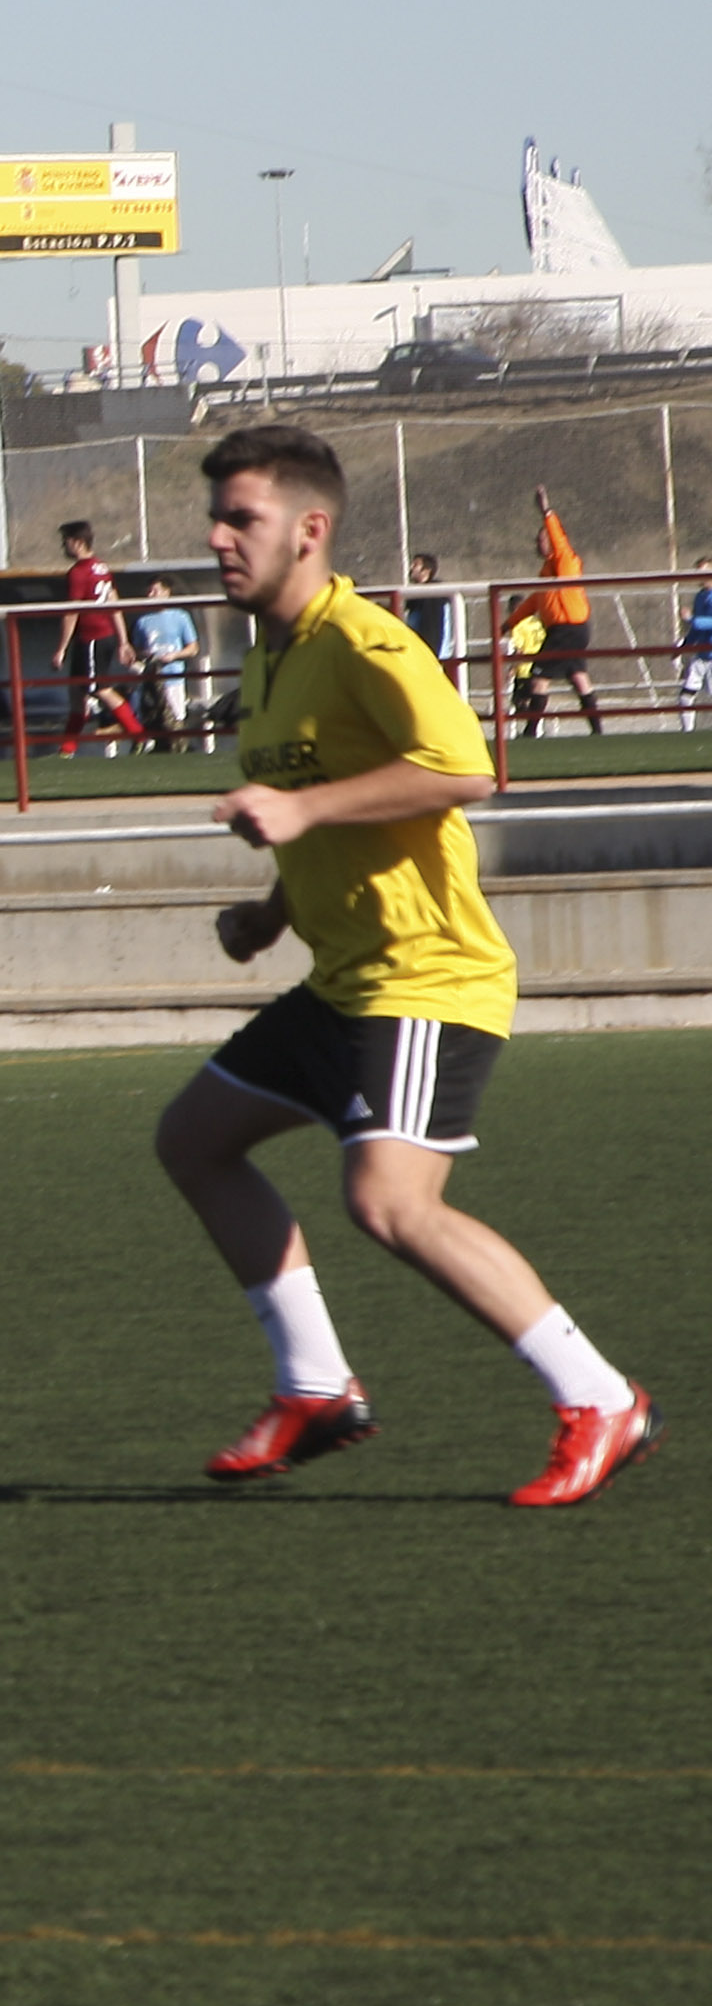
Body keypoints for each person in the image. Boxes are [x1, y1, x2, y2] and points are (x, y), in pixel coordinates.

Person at [154, 423, 656, 1509]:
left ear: (310, 530)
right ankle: (315, 1386)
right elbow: (335, 808)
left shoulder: (367, 644)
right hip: (346, 980)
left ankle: (599, 1396)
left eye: (242, 517)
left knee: (389, 1202)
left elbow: (462, 768)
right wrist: (274, 910)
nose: (219, 538)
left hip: (429, 977)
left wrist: (295, 808)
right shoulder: (271, 655)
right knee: (194, 1139)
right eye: (219, 517)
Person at [52, 521, 145, 753]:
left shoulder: (78, 573)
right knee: (76, 692)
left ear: (78, 542)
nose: (63, 546)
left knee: (100, 688)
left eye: (66, 541)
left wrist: (61, 648)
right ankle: (67, 749)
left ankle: (140, 736)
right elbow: (114, 602)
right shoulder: (101, 567)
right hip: (96, 638)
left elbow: (72, 612)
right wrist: (122, 640)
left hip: (93, 638)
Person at [523, 488, 604, 737]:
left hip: (566, 629)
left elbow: (559, 539)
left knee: (539, 678)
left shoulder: (564, 559)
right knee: (579, 677)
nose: (538, 544)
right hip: (570, 629)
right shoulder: (546, 570)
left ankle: (530, 731)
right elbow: (535, 601)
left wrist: (546, 511)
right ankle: (597, 730)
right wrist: (508, 624)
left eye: (542, 539)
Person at [132, 579, 205, 748]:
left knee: (175, 719)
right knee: (150, 718)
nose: (151, 595)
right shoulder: (143, 620)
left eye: (155, 591)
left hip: (173, 677)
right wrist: (146, 656)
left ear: (166, 592)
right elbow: (135, 650)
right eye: (149, 591)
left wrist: (174, 655)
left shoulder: (180, 616)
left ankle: (179, 749)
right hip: (151, 679)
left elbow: (193, 648)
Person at [397, 554, 462, 685]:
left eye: (416, 565)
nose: (411, 568)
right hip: (420, 654)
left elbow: (435, 629)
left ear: (426, 571)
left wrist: (429, 657)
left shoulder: (434, 595)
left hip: (430, 657)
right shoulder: (416, 596)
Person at [681, 555, 712, 732]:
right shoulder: (700, 597)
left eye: (705, 571)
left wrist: (691, 618)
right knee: (685, 696)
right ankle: (687, 733)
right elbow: (696, 628)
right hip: (701, 657)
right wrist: (684, 646)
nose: (699, 576)